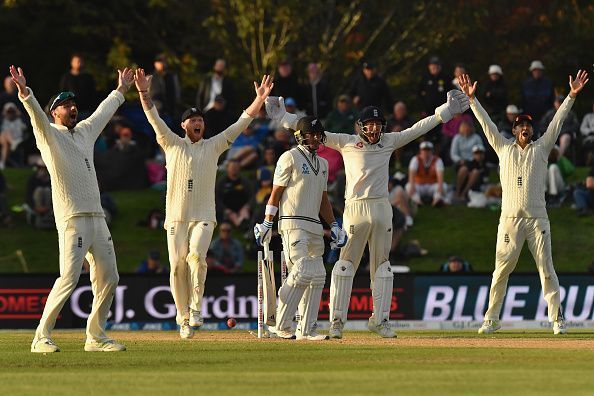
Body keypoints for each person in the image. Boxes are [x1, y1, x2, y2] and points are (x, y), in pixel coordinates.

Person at [265, 86, 469, 338]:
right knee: (344, 266)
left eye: (378, 125)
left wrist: (445, 112)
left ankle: (380, 321)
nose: (374, 129)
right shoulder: (347, 142)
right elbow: (313, 131)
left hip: (382, 208)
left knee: (383, 268)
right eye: (370, 125)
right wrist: (284, 118)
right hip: (355, 208)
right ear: (361, 126)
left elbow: (416, 129)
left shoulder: (389, 141)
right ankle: (336, 323)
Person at [135, 68, 273, 339]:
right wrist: (142, 92)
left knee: (196, 257)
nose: (198, 123)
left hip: (204, 215)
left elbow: (241, 122)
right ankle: (183, 317)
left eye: (201, 119)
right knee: (177, 266)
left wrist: (259, 100)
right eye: (193, 120)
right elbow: (152, 116)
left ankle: (196, 310)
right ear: (184, 126)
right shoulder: (171, 143)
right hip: (176, 216)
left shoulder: (214, 145)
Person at [11, 64, 134, 353]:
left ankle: (96, 337)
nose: (72, 108)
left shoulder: (84, 133)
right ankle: (41, 337)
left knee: (110, 276)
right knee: (68, 277)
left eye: (73, 104)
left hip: (97, 217)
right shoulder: (48, 135)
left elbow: (103, 113)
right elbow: (36, 118)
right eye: (66, 105)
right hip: (71, 219)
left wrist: (121, 90)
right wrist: (25, 94)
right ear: (54, 113)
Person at [458, 69, 589, 335]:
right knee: (501, 270)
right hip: (509, 220)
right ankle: (491, 318)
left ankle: (557, 319)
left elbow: (558, 123)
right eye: (521, 125)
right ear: (515, 129)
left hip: (537, 218)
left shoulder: (541, 149)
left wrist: (572, 96)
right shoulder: (503, 147)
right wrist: (472, 101)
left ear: (531, 129)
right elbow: (486, 125)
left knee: (547, 270)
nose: (525, 128)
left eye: (529, 125)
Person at [254, 116, 347, 340]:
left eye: (318, 135)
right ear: (300, 136)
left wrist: (334, 225)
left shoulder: (323, 164)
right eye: (311, 134)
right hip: (292, 223)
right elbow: (275, 193)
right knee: (303, 269)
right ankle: (282, 324)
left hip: (315, 225)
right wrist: (268, 221)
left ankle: (307, 329)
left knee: (317, 276)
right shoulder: (289, 158)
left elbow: (324, 199)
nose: (315, 138)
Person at [450, 121, 485, 201]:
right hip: (462, 162)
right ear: (461, 129)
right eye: (464, 128)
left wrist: (478, 156)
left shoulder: (476, 137)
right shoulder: (457, 138)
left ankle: (464, 193)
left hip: (474, 162)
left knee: (475, 172)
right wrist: (459, 160)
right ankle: (457, 192)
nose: (466, 130)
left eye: (468, 128)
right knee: (464, 169)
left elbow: (481, 150)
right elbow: (453, 154)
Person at [407, 141, 448, 206]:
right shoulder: (415, 159)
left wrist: (440, 188)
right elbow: (411, 175)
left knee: (444, 186)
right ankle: (417, 201)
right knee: (408, 186)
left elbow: (440, 177)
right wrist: (412, 187)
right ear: (420, 151)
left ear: (432, 151)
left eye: (428, 150)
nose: (426, 152)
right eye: (424, 150)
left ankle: (436, 200)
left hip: (432, 185)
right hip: (419, 185)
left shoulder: (437, 160)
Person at [216, 159, 253, 227]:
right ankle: (240, 224)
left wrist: (247, 206)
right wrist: (225, 209)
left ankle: (244, 223)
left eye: (236, 167)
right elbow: (217, 198)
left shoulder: (245, 181)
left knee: (245, 213)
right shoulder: (222, 182)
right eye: (232, 167)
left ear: (239, 168)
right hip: (227, 209)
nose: (234, 169)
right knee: (232, 215)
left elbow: (252, 196)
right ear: (227, 168)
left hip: (242, 208)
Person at [521, 60, 555, 131]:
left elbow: (552, 99)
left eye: (539, 70)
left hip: (545, 115)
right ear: (532, 71)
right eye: (535, 70)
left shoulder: (548, 83)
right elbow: (523, 100)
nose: (537, 72)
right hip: (530, 115)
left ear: (541, 71)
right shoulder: (526, 84)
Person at [149, 54, 181, 122]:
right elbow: (149, 95)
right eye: (160, 62)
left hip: (171, 110)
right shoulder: (151, 77)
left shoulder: (172, 76)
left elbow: (176, 93)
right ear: (155, 63)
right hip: (157, 110)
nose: (162, 64)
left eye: (163, 62)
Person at [25, 159, 53, 229]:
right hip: (36, 204)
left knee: (47, 190)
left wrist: (46, 180)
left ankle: (47, 216)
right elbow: (28, 195)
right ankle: (39, 217)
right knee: (39, 190)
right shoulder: (32, 179)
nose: (42, 170)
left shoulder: (51, 180)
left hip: (47, 205)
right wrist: (35, 207)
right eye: (41, 168)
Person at [0, 102, 27, 169]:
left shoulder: (19, 120)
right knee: (5, 134)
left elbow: (27, 125)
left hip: (17, 140)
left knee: (6, 144)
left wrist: (20, 114)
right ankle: (13, 143)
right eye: (8, 112)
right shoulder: (3, 121)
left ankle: (2, 162)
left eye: (12, 111)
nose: (10, 114)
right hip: (9, 141)